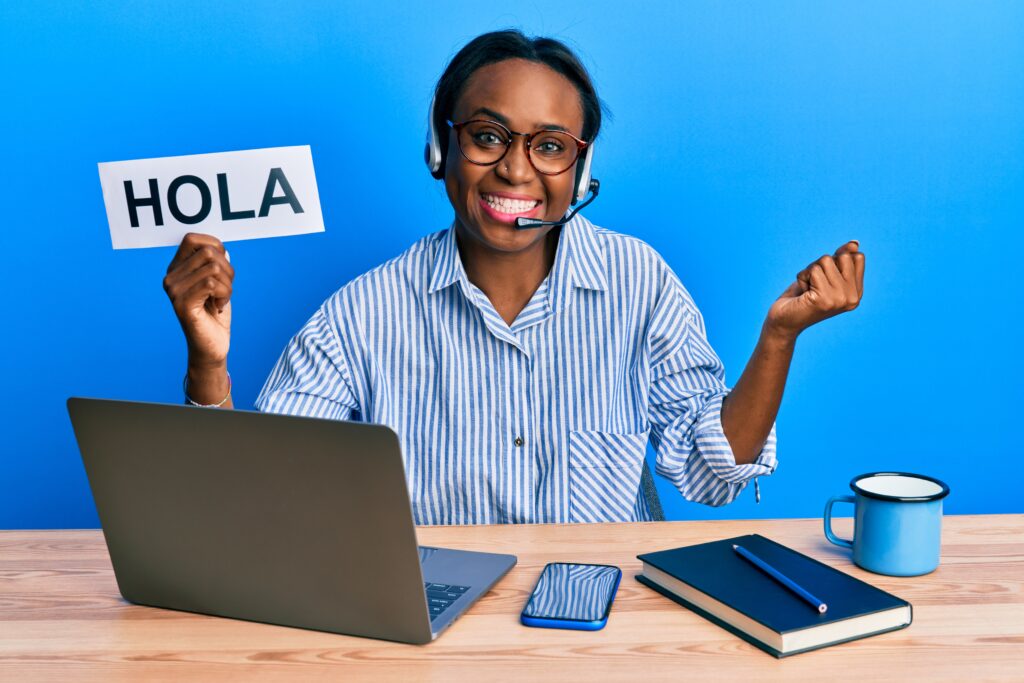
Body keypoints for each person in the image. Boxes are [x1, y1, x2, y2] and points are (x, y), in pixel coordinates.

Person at [162, 30, 865, 525]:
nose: (517, 170)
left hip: (610, 618)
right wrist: (208, 364)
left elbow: (711, 478)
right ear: (444, 146)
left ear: (581, 171)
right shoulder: (361, 313)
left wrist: (777, 340)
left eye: (551, 147)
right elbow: (261, 503)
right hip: (433, 628)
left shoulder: (640, 284)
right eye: (488, 136)